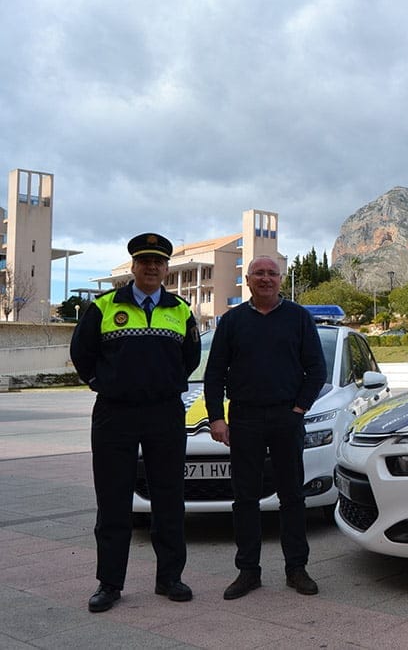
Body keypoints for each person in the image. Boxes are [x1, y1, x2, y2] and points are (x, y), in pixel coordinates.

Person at [70, 232, 200, 613]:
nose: (151, 267)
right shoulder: (105, 306)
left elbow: (190, 357)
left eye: (158, 262)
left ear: (166, 268)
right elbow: (81, 353)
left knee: (169, 499)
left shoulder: (180, 310)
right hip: (115, 414)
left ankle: (170, 578)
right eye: (144, 261)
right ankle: (109, 584)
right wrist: (105, 383)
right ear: (134, 266)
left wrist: (163, 384)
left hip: (164, 413)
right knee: (113, 501)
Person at [205, 255, 326, 600]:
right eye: (259, 273)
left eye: (272, 273)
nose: (266, 278)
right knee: (245, 498)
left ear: (280, 279)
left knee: (292, 496)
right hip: (245, 418)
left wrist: (299, 408)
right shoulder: (232, 321)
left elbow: (316, 369)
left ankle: (296, 568)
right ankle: (248, 571)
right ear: (247, 279)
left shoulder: (299, 318)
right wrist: (216, 417)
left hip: (286, 417)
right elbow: (215, 373)